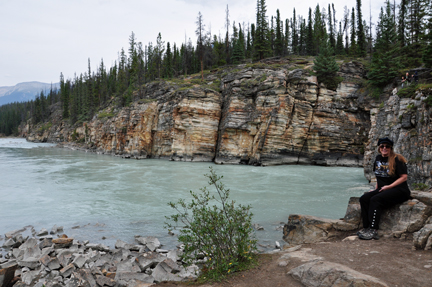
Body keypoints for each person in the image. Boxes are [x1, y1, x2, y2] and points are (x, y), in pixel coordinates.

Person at [357, 137, 411, 240]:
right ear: (379, 148)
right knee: (364, 198)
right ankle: (366, 227)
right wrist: (375, 190)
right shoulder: (378, 158)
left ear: (391, 148)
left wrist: (389, 187)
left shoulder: (397, 159)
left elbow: (404, 177)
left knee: (375, 199)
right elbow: (379, 177)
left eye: (387, 146)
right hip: (384, 189)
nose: (384, 148)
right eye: (382, 146)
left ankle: (373, 230)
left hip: (400, 191)